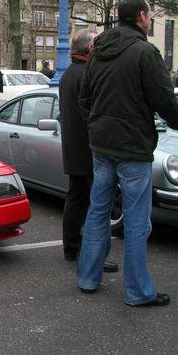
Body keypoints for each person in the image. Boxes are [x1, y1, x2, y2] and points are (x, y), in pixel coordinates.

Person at [77, 0, 178, 306]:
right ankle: (137, 291)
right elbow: (165, 102)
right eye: (149, 15)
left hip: (102, 146)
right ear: (141, 17)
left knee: (97, 211)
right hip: (133, 147)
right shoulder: (145, 52)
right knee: (137, 221)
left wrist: (96, 126)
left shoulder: (98, 52)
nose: (150, 20)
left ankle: (88, 277)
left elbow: (85, 100)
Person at [59, 29, 118, 273]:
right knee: (98, 205)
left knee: (76, 199)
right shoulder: (87, 74)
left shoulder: (68, 74)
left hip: (74, 147)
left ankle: (71, 248)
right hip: (90, 148)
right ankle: (94, 255)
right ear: (90, 49)